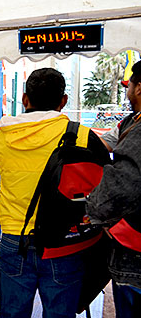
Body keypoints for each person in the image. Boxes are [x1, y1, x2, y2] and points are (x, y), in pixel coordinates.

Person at [0, 68, 110, 318]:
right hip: (63, 243)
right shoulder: (83, 136)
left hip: (14, 240)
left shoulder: (1, 138)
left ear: (24, 99)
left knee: (11, 314)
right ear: (63, 101)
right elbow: (106, 182)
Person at [86, 60, 141, 317]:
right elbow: (103, 142)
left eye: (129, 85)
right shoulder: (130, 121)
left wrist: (98, 214)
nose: (126, 91)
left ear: (139, 88)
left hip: (135, 255)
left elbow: (122, 185)